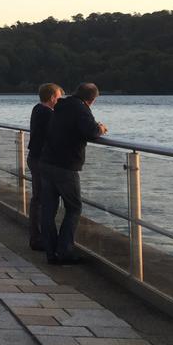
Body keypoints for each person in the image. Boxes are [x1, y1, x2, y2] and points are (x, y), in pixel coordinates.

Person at [39, 82, 108, 265]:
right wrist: (100, 128)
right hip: (65, 166)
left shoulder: (61, 105)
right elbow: (91, 132)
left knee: (48, 210)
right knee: (74, 208)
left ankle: (51, 252)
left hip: (46, 162)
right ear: (91, 99)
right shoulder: (81, 109)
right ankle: (65, 251)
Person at [27, 83, 63, 250]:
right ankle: (39, 238)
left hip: (34, 157)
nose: (60, 100)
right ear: (52, 98)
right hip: (40, 159)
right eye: (59, 97)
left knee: (38, 198)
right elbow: (60, 132)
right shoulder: (47, 114)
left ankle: (37, 236)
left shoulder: (37, 109)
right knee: (41, 199)